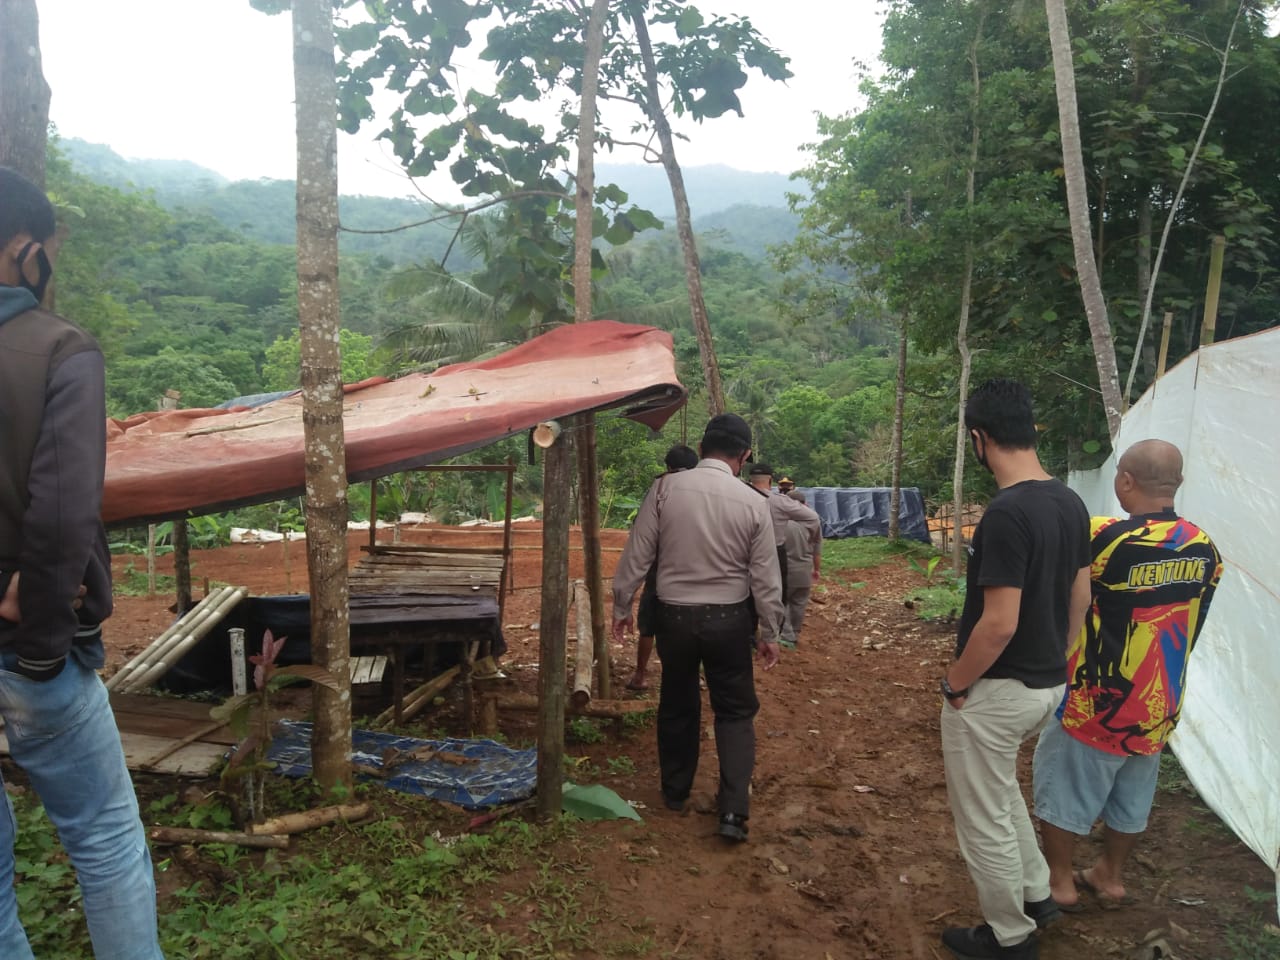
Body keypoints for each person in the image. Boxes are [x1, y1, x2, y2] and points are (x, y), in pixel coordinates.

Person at [0, 166, 166, 960]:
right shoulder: (58, 349)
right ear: (23, 248)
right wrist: (40, 650)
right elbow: (63, 517)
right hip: (30, 653)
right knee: (104, 840)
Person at [1033, 440, 1222, 911]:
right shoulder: (1204, 548)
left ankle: (1060, 881)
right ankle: (1110, 876)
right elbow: (1195, 619)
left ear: (1125, 480)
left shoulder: (1101, 537)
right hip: (1159, 701)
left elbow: (1061, 597)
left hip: (1096, 700)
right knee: (1133, 793)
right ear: (1178, 483)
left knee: (1063, 786)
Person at [939, 379, 1092, 960]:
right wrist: (1058, 658)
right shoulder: (1068, 501)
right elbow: (1081, 596)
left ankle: (1009, 935)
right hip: (1046, 683)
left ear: (979, 439)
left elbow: (998, 623)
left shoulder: (1006, 514)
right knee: (1000, 790)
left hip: (998, 691)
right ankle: (1036, 893)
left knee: (983, 817)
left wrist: (955, 683)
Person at [611, 413, 784, 843]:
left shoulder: (665, 489)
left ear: (703, 447)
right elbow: (765, 577)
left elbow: (638, 552)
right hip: (729, 621)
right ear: (744, 456)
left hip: (674, 619)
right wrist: (770, 632)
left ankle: (674, 792)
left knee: (677, 700)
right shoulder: (754, 503)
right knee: (735, 712)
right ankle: (734, 812)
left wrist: (622, 604)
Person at [628, 444, 700, 692]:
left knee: (649, 624)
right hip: (695, 569)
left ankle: (640, 674)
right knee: (690, 626)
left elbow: (642, 538)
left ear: (668, 466)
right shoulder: (705, 492)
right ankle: (691, 676)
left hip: (660, 569)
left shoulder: (659, 489)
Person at [745, 463, 821, 649]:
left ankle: (749, 635)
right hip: (774, 552)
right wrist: (811, 535)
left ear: (749, 480)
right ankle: (772, 636)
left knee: (747, 594)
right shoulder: (780, 501)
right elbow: (812, 518)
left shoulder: (740, 496)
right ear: (771, 481)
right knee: (776, 594)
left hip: (745, 552)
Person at [782, 490, 822, 642]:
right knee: (799, 603)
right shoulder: (813, 522)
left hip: (786, 570)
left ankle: (786, 636)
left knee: (782, 601)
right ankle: (795, 632)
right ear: (805, 504)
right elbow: (817, 551)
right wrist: (816, 570)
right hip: (805, 571)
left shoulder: (782, 523)